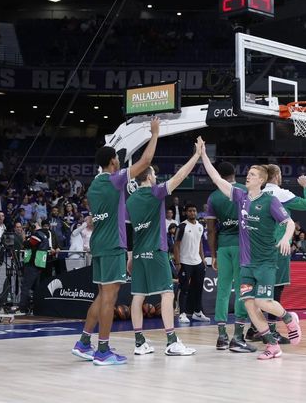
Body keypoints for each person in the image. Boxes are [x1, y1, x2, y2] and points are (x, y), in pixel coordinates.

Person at [199, 142, 302, 361]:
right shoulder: (241, 197)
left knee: (263, 303)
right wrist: (203, 156)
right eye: (248, 173)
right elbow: (217, 180)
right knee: (248, 303)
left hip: (265, 262)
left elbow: (290, 223)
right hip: (246, 264)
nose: (248, 176)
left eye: (253, 174)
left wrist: (285, 237)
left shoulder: (271, 201)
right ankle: (272, 346)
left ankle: (288, 318)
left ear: (261, 180)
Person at [71, 118, 160, 366]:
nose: (120, 162)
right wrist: (154, 134)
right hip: (112, 246)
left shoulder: (92, 186)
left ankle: (84, 342)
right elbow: (145, 162)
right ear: (112, 162)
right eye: (118, 160)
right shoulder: (114, 179)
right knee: (110, 299)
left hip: (99, 244)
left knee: (101, 297)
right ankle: (102, 351)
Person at [126, 143, 201, 357]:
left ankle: (139, 343)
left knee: (138, 296)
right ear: (148, 177)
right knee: (167, 294)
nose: (156, 178)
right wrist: (196, 155)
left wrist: (130, 258)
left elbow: (129, 232)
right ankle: (171, 341)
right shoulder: (156, 192)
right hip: (157, 251)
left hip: (139, 254)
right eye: (153, 174)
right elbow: (180, 175)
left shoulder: (129, 201)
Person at [256, 165, 306, 343]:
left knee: (258, 291)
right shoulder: (281, 194)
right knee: (275, 289)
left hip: (258, 247)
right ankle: (271, 331)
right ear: (277, 176)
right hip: (278, 248)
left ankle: (254, 329)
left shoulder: (258, 194)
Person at [205, 161, 255, 352]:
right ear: (235, 173)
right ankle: (238, 336)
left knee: (223, 290)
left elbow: (210, 230)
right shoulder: (245, 190)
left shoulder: (213, 197)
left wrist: (213, 254)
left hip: (224, 247)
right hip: (243, 246)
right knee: (243, 289)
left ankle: (221, 337)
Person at [174, 202, 207, 324]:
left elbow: (200, 243)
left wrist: (203, 259)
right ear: (185, 213)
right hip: (184, 262)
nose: (192, 213)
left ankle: (197, 312)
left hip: (197, 262)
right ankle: (182, 313)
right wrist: (178, 264)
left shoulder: (200, 226)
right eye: (190, 211)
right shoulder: (181, 226)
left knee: (198, 289)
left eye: (194, 210)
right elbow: (176, 245)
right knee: (184, 289)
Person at [18, 222, 50, 313]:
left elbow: (29, 244)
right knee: (36, 288)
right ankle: (36, 307)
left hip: (32, 264)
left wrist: (24, 239)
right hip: (39, 264)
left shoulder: (38, 234)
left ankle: (23, 308)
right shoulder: (45, 236)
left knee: (26, 286)